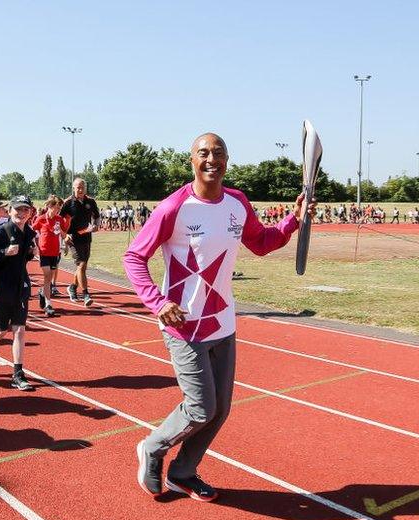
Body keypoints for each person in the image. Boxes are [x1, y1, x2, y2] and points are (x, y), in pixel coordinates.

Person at [124, 133, 316, 501]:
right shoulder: (173, 207)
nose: (211, 159)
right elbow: (134, 257)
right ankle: (153, 446)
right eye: (203, 153)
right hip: (183, 326)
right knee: (200, 408)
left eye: (218, 153)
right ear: (192, 161)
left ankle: (183, 471)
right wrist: (157, 301)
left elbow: (260, 243)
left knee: (220, 410)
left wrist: (293, 219)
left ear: (227, 160)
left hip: (223, 322)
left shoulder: (237, 202)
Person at [0, 196, 38, 392]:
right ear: (10, 210)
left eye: (25, 210)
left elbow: (24, 256)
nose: (21, 213)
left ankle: (18, 374)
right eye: (18, 209)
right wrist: (3, 252)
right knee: (1, 331)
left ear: (30, 212)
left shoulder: (29, 232)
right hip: (1, 287)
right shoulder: (1, 231)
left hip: (20, 285)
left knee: (19, 329)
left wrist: (30, 252)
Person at [61, 177, 101, 306]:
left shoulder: (91, 202)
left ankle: (72, 287)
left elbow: (97, 216)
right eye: (78, 187)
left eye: (82, 187)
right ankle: (86, 294)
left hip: (87, 237)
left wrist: (96, 226)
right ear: (73, 188)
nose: (80, 189)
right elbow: (59, 221)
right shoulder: (68, 203)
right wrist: (65, 235)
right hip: (73, 239)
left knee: (81, 267)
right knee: (81, 265)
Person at [31, 197, 69, 316]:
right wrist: (33, 246)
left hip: (55, 252)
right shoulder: (41, 219)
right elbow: (32, 231)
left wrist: (65, 241)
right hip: (44, 252)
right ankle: (48, 304)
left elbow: (63, 234)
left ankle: (43, 292)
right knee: (47, 276)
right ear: (50, 206)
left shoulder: (59, 219)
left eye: (59, 208)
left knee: (50, 277)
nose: (58, 210)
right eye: (57, 208)